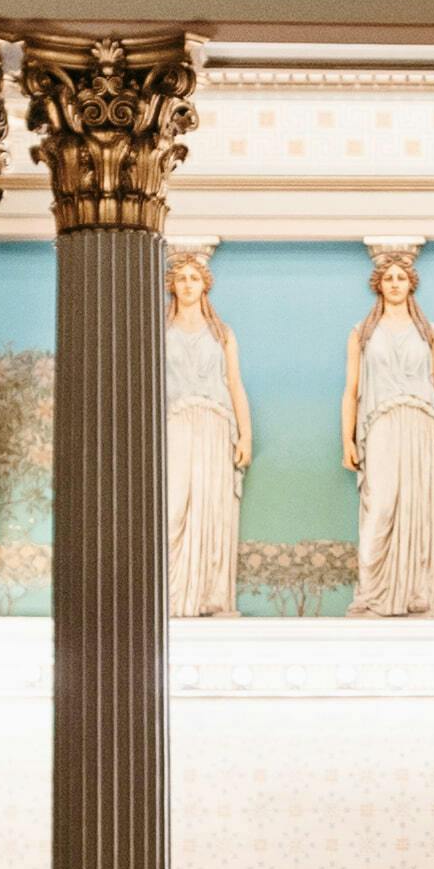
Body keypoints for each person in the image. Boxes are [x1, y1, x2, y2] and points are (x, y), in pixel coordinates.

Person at [342, 244, 434, 616]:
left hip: (423, 423)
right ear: (379, 284)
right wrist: (347, 439)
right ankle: (372, 594)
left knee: (418, 508)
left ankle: (416, 593)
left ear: (410, 284)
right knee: (382, 504)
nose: (394, 283)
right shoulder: (363, 331)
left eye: (400, 278)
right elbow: (352, 390)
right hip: (381, 423)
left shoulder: (428, 331)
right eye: (388, 278)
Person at [164, 246, 251, 616]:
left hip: (216, 424)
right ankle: (169, 594)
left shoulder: (221, 332)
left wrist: (246, 435)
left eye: (194, 278)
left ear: (204, 285)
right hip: (175, 422)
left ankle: (208, 597)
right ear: (172, 285)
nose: (187, 284)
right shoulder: (159, 329)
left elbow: (234, 383)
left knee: (210, 510)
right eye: (181, 278)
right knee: (172, 507)